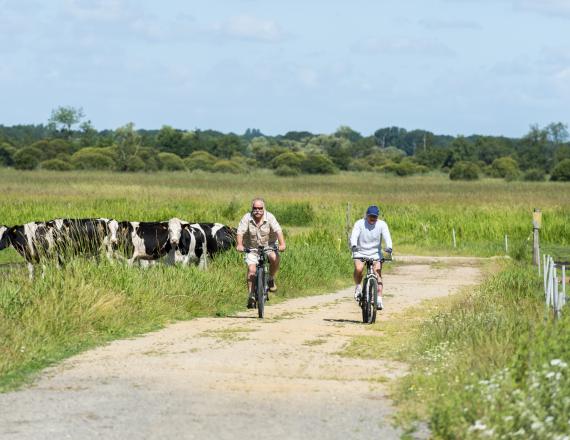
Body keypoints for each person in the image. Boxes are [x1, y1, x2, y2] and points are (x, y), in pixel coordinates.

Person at [236, 198, 286, 308]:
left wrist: (282, 244)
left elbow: (278, 230)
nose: (257, 211)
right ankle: (251, 296)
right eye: (255, 208)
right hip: (252, 248)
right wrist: (239, 244)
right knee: (252, 270)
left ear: (264, 209)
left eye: (260, 208)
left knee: (274, 257)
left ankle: (271, 279)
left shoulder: (270, 217)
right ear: (252, 209)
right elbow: (240, 232)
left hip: (269, 246)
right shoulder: (247, 217)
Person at [350, 205, 392, 310]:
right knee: (359, 269)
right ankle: (358, 287)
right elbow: (354, 235)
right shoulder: (359, 223)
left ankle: (379, 299)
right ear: (366, 215)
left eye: (375, 217)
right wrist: (354, 245)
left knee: (377, 273)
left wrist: (389, 247)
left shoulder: (382, 225)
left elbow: (387, 236)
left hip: (375, 253)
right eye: (370, 216)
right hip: (360, 251)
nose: (372, 219)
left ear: (377, 217)